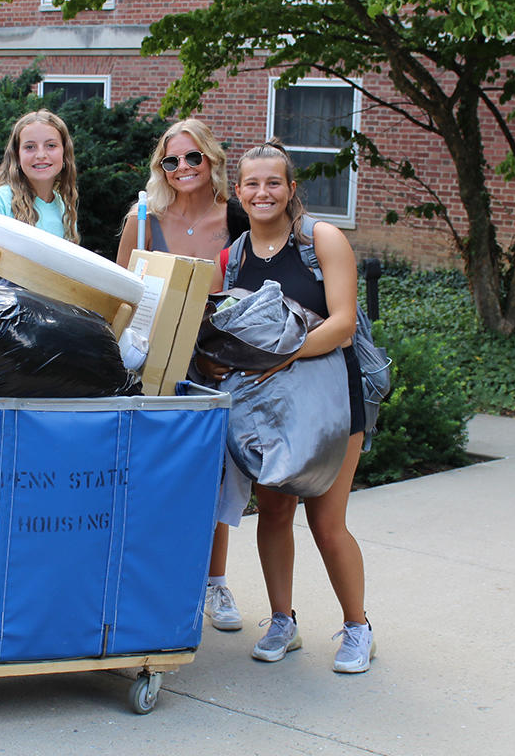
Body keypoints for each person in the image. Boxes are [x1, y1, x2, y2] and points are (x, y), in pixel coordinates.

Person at [222, 141, 373, 673]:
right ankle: (282, 620)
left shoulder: (322, 240)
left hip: (332, 403)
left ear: (290, 189)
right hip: (270, 408)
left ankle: (358, 627)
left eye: (274, 183)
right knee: (275, 513)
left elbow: (342, 324)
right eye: (252, 184)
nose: (263, 193)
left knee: (328, 523)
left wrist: (277, 357)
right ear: (237, 192)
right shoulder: (235, 255)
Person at [114, 118, 249, 633]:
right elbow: (120, 293)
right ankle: (151, 581)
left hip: (219, 360)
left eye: (194, 157)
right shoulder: (143, 219)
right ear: (161, 168)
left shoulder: (236, 218)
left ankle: (214, 583)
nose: (183, 168)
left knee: (216, 474)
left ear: (211, 159)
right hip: (155, 363)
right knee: (151, 471)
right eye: (172, 161)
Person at [0, 110, 80, 243]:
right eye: (30, 147)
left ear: (64, 153)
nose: (40, 155)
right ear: (17, 155)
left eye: (51, 145)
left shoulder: (64, 208)